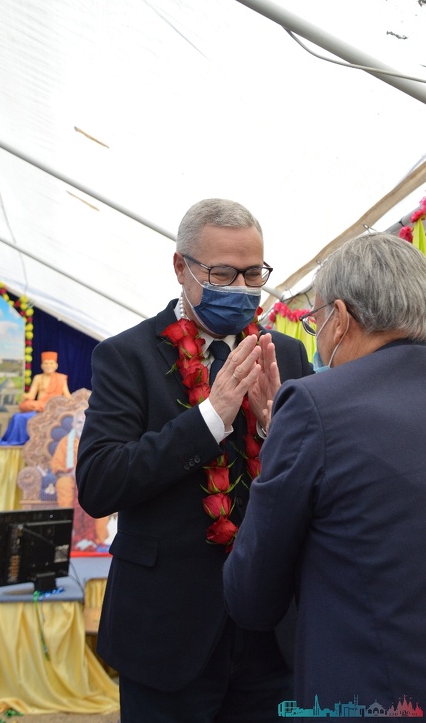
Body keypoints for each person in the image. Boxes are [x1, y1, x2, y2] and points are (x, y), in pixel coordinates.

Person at [76, 198, 312, 722]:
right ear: (181, 267)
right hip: (166, 632)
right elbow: (99, 482)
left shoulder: (286, 355)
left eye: (254, 273)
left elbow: (319, 484)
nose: (241, 288)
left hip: (272, 633)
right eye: (222, 274)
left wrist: (276, 430)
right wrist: (210, 418)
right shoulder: (127, 356)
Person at [223, 233, 426, 710]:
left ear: (340, 317)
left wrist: (286, 440)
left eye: (314, 322)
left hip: (370, 692)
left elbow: (252, 594)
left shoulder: (314, 404)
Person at [50, 409, 110, 551]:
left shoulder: (99, 439)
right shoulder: (66, 442)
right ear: (73, 424)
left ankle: (98, 537)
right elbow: (57, 465)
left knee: (101, 487)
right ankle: (69, 535)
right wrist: (70, 473)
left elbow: (105, 461)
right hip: (70, 478)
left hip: (93, 477)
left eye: (85, 421)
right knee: (64, 484)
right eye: (78, 422)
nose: (82, 425)